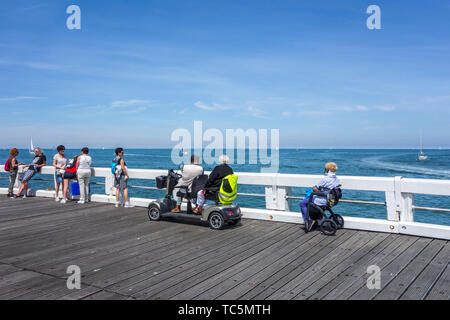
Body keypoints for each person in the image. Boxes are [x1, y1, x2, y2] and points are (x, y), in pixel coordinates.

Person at [299, 162, 340, 230]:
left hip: (320, 199)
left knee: (302, 203)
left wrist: (314, 188)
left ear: (328, 170)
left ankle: (309, 220)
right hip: (330, 199)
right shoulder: (336, 179)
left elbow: (317, 188)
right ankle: (313, 219)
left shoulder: (325, 179)